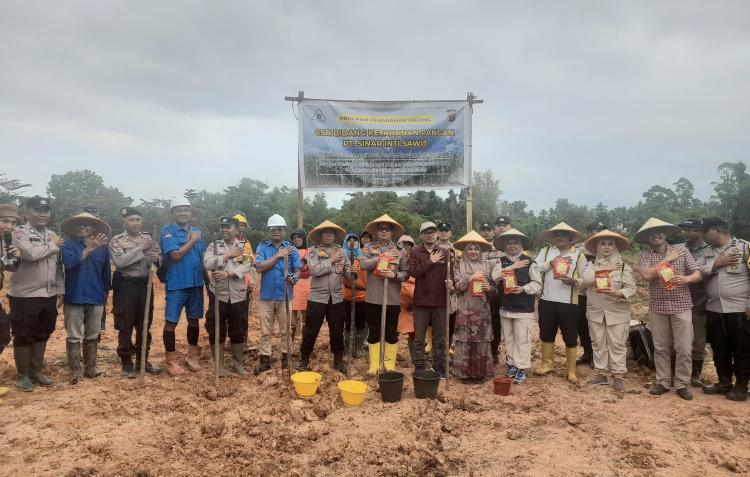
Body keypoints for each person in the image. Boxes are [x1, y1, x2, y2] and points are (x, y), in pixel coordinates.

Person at [635, 217, 702, 400]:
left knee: (684, 347)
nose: (656, 235)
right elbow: (648, 276)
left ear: (665, 234)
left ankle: (681, 384)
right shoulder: (644, 256)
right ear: (647, 237)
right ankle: (663, 381)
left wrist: (687, 279)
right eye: (652, 233)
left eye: (659, 232)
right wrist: (666, 259)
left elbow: (697, 272)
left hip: (681, 305)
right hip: (658, 307)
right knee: (661, 347)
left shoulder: (681, 251)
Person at [9, 197, 64, 391]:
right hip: (25, 294)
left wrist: (60, 289)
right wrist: (53, 245)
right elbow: (29, 255)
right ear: (27, 212)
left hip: (48, 294)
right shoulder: (18, 232)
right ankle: (22, 375)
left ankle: (36, 371)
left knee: (43, 332)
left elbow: (57, 266)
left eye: (46, 210)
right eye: (38, 210)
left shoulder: (51, 234)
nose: (43, 214)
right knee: (24, 334)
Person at [699, 217, 750, 401]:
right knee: (719, 348)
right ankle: (724, 382)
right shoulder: (707, 252)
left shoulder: (745, 248)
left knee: (742, 348)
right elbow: (698, 271)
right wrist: (717, 263)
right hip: (714, 308)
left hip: (739, 309)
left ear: (716, 230)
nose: (702, 235)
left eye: (705, 232)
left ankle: (742, 386)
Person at [579, 230, 636, 391]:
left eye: (610, 244)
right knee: (598, 343)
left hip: (617, 311)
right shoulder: (589, 265)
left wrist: (618, 293)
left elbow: (631, 288)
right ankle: (601, 373)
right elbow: (587, 279)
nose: (606, 247)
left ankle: (618, 375)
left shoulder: (624, 266)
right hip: (595, 311)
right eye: (602, 244)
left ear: (615, 246)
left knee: (617, 344)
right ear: (596, 247)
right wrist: (607, 269)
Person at [109, 207, 162, 378]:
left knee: (144, 324)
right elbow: (120, 262)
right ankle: (126, 363)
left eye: (138, 220)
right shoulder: (116, 241)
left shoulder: (148, 238)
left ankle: (142, 360)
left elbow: (159, 258)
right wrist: (140, 249)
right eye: (131, 220)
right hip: (126, 286)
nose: (135, 223)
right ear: (124, 222)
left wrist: (157, 259)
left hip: (145, 285)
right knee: (125, 325)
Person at [533, 222, 589, 383]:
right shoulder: (545, 252)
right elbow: (535, 269)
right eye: (557, 234)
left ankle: (571, 371)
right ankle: (547, 364)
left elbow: (585, 278)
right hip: (546, 299)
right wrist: (550, 263)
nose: (560, 237)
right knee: (546, 333)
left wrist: (574, 281)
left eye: (563, 234)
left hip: (569, 302)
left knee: (570, 336)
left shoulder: (578, 255)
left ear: (570, 238)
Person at [61, 212, 112, 383]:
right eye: (79, 224)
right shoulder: (68, 245)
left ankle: (90, 369)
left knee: (92, 334)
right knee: (74, 335)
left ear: (94, 228)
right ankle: (75, 371)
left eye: (86, 224)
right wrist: (89, 249)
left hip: (96, 296)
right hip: (74, 295)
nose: (82, 227)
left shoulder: (104, 249)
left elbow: (106, 274)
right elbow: (69, 264)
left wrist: (105, 295)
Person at [160, 196, 207, 376]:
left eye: (186, 210)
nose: (183, 213)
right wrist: (193, 240)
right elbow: (176, 256)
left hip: (196, 284)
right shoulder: (168, 232)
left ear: (191, 212)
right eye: (179, 210)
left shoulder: (196, 231)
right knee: (171, 322)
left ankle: (191, 356)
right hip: (177, 284)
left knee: (194, 320)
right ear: (173, 213)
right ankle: (171, 361)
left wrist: (208, 283)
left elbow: (201, 259)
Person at [357, 214, 409, 376]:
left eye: (387, 230)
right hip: (373, 298)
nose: (384, 232)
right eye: (381, 230)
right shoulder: (368, 248)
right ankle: (374, 365)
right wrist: (379, 258)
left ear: (392, 232)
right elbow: (363, 264)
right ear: (376, 232)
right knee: (374, 331)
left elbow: (406, 274)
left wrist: (394, 276)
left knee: (391, 332)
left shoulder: (400, 251)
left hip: (392, 298)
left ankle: (389, 364)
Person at [203, 217, 254, 376]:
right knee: (215, 327)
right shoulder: (214, 245)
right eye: (222, 227)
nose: (224, 229)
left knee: (238, 328)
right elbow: (208, 264)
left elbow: (247, 265)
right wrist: (226, 255)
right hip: (218, 294)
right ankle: (219, 366)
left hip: (238, 294)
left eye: (228, 227)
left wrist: (228, 273)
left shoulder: (244, 246)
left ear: (237, 229)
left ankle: (237, 363)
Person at [491, 228, 541, 384]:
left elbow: (537, 284)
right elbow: (495, 277)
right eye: (509, 243)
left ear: (521, 245)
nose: (512, 246)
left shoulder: (530, 262)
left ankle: (521, 368)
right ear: (505, 246)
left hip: (523, 308)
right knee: (509, 339)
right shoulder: (501, 261)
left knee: (522, 339)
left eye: (516, 243)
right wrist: (512, 267)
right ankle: (511, 364)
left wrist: (523, 289)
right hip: (505, 307)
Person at [253, 214, 302, 374]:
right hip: (266, 296)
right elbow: (259, 267)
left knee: (286, 330)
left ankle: (286, 360)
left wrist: (293, 278)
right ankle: (265, 361)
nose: (276, 232)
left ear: (284, 230)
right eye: (273, 229)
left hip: (285, 295)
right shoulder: (262, 247)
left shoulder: (292, 249)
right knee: (265, 331)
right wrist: (277, 256)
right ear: (269, 230)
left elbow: (298, 270)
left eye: (280, 229)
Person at [297, 220, 349, 373]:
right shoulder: (312, 251)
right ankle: (304, 359)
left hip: (337, 298)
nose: (328, 236)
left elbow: (348, 276)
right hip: (317, 297)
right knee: (311, 330)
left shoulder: (343, 252)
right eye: (325, 233)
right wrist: (332, 260)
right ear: (320, 236)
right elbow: (315, 271)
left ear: (335, 236)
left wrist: (349, 271)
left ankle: (338, 360)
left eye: (331, 233)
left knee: (337, 330)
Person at [450, 231, 497, 381]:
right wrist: (469, 280)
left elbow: (495, 290)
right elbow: (457, 287)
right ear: (464, 250)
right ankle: (463, 373)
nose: (473, 251)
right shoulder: (458, 264)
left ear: (481, 251)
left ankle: (480, 373)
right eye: (470, 248)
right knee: (464, 341)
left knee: (482, 341)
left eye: (476, 248)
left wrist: (488, 287)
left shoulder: (488, 266)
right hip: (465, 308)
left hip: (482, 309)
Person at [409, 222, 451, 377]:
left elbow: (450, 274)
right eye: (426, 232)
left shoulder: (445, 253)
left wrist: (451, 282)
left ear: (437, 234)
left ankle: (439, 367)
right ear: (421, 235)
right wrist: (430, 261)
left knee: (440, 339)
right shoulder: (415, 251)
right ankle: (419, 367)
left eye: (433, 232)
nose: (430, 234)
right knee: (419, 339)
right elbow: (413, 272)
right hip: (421, 302)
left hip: (440, 302)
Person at [678, 218, 710, 388]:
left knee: (698, 340)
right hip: (680, 300)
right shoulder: (679, 249)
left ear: (699, 231)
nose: (686, 232)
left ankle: (695, 374)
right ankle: (679, 371)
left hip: (700, 301)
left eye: (689, 230)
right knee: (679, 339)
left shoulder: (709, 250)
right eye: (684, 229)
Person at [575, 221, 607, 367]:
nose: (597, 233)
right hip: (582, 292)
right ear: (588, 233)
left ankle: (598, 356)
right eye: (594, 231)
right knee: (582, 324)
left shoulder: (607, 247)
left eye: (600, 230)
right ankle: (587, 353)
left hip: (600, 293)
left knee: (597, 326)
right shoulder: (580, 249)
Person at [0, 204, 21, 396]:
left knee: (3, 335)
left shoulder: (4, 243)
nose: (9, 226)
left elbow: (11, 269)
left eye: (13, 223)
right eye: (5, 221)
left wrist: (16, 257)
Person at [480, 221, 505, 365]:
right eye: (483, 229)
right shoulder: (476, 246)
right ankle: (481, 350)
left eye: (489, 229)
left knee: (496, 321)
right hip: (480, 288)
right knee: (480, 320)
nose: (486, 232)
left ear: (494, 231)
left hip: (498, 288)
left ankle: (494, 350)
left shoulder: (500, 246)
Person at [342, 232, 368, 358]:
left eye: (355, 240)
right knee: (348, 323)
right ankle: (348, 350)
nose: (352, 242)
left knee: (361, 323)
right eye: (349, 240)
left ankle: (358, 349)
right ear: (346, 242)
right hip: (347, 295)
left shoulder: (364, 256)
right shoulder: (342, 257)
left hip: (363, 296)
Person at [233, 213, 256, 351]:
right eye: (238, 226)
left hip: (246, 284)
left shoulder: (247, 244)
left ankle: (244, 341)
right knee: (234, 315)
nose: (241, 228)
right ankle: (234, 341)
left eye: (243, 226)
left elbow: (251, 264)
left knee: (244, 315)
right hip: (233, 284)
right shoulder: (229, 244)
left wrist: (251, 281)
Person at [436, 222, 459, 351]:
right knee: (437, 324)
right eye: (441, 230)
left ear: (450, 233)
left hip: (451, 291)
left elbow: (459, 269)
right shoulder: (432, 247)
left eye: (446, 230)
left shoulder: (456, 249)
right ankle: (437, 353)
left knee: (451, 321)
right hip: (436, 291)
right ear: (437, 232)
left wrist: (455, 286)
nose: (444, 232)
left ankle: (447, 349)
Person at [396, 235, 418, 365]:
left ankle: (415, 359)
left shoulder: (417, 260)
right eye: (403, 245)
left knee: (414, 332)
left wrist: (415, 301)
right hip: (397, 300)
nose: (406, 248)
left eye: (409, 245)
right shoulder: (395, 258)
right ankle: (390, 356)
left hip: (414, 301)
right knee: (393, 330)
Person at [290, 229, 310, 343]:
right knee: (292, 315)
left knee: (306, 316)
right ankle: (290, 344)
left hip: (307, 285)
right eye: (294, 238)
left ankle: (305, 344)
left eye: (299, 237)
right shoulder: (291, 251)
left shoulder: (309, 251)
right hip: (294, 285)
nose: (297, 240)